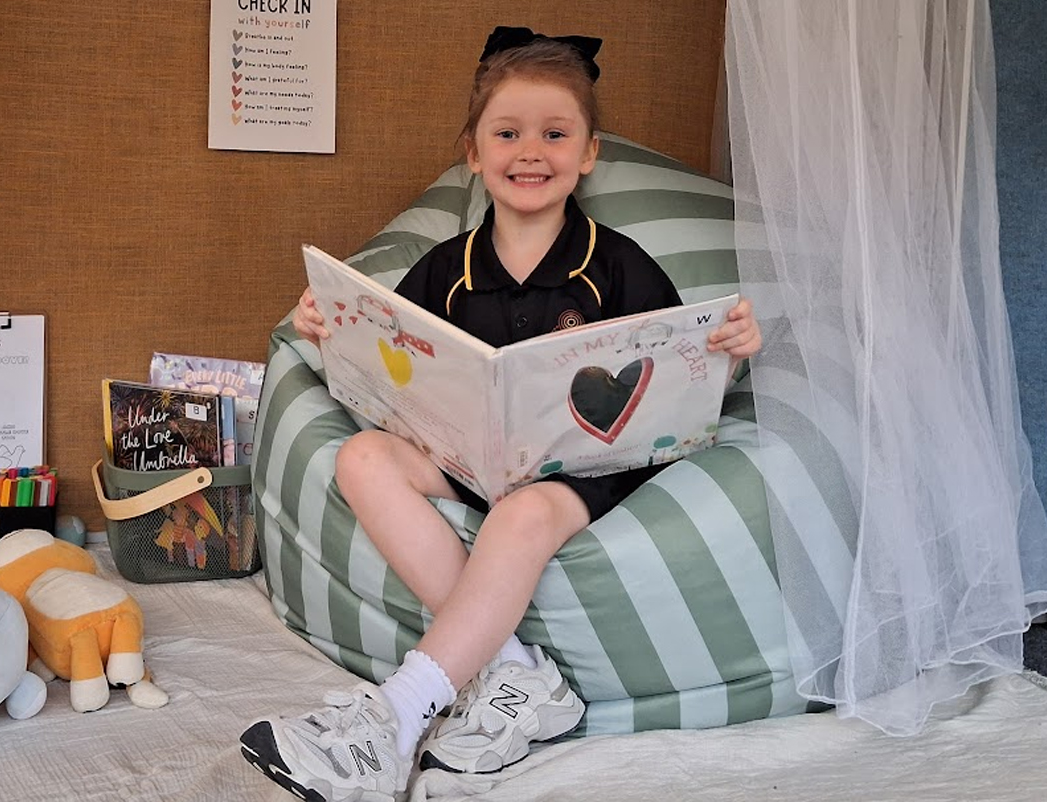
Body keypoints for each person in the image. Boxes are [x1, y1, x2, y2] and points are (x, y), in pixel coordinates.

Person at [239, 26, 762, 802]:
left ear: (588, 153)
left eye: (556, 134)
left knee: (519, 515)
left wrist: (734, 348)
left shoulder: (618, 264)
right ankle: (516, 671)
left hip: (589, 467)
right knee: (360, 458)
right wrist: (321, 325)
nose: (530, 152)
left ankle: (398, 713)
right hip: (470, 459)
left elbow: (679, 366)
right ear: (473, 153)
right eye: (508, 133)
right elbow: (388, 364)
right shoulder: (445, 271)